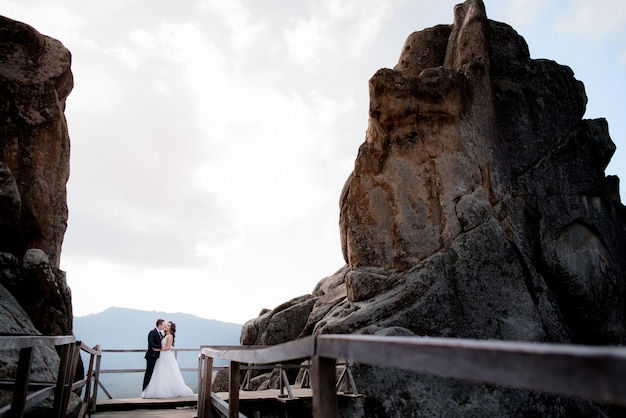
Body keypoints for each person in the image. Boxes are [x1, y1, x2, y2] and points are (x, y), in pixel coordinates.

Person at [141, 321, 194, 398]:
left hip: (166, 355)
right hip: (161, 356)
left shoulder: (170, 336)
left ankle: (171, 390)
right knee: (160, 372)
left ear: (170, 328)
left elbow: (168, 347)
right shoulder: (163, 335)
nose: (166, 326)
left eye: (168, 326)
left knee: (168, 372)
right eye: (165, 325)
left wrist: (158, 350)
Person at [142, 318, 165, 390]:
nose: (164, 326)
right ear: (159, 325)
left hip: (157, 356)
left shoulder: (160, 333)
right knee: (149, 373)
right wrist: (161, 347)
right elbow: (151, 343)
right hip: (151, 356)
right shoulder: (152, 332)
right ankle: (144, 389)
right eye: (163, 324)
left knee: (154, 374)